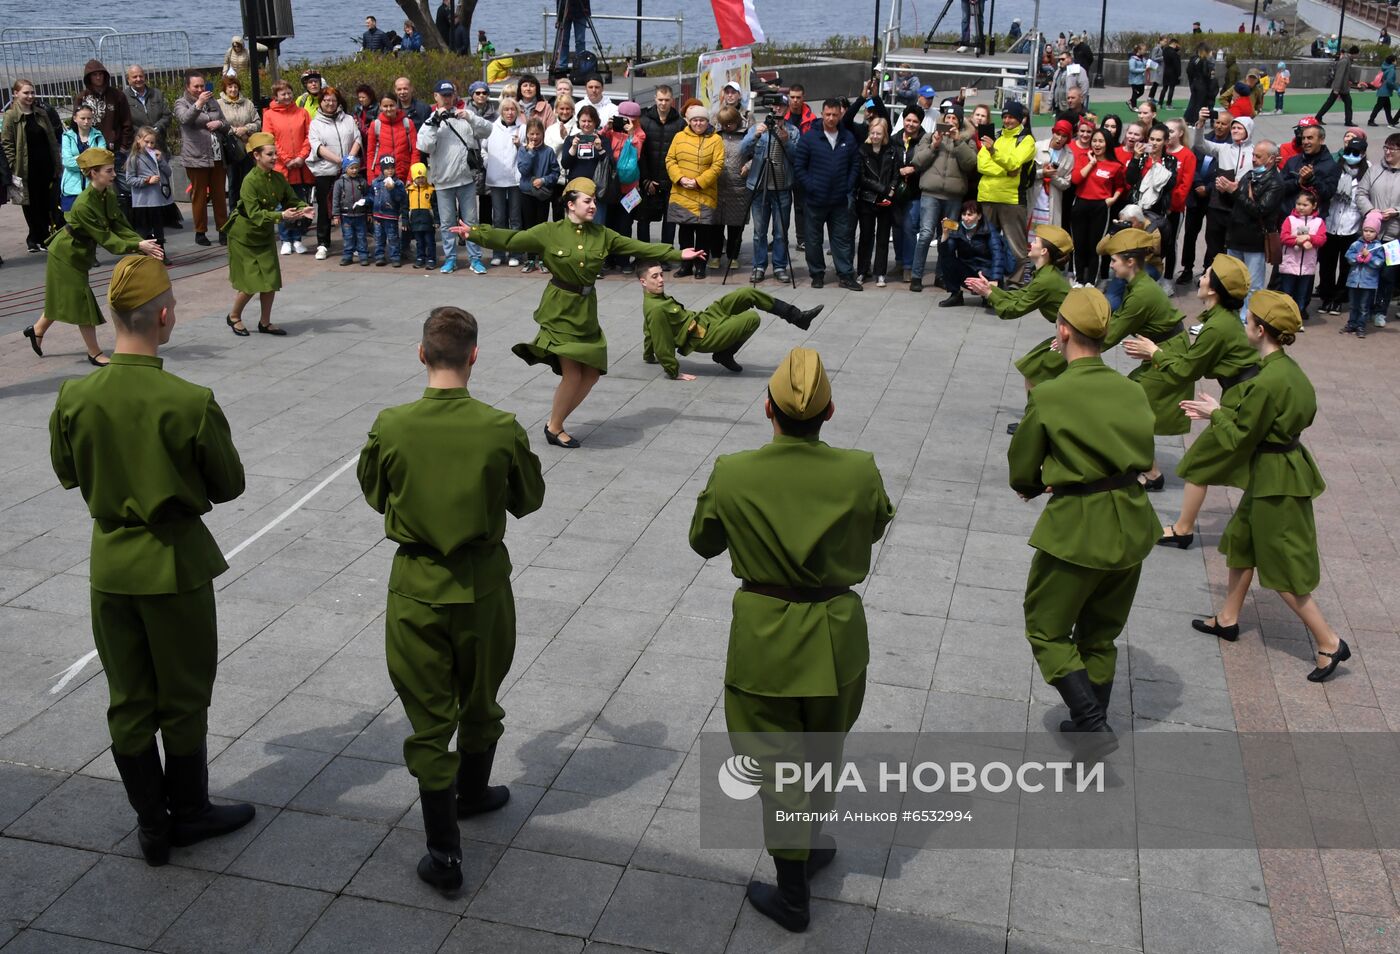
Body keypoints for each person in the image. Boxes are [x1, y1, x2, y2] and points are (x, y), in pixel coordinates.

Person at [49, 254, 253, 869]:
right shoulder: (188, 400)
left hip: (110, 564)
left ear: (114, 317)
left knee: (128, 695)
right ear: (165, 317)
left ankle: (150, 824)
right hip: (174, 564)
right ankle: (189, 812)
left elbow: (66, 474)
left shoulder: (75, 395)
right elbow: (230, 483)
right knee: (184, 694)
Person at [688, 346, 894, 934]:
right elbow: (876, 525)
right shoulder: (860, 467)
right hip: (838, 631)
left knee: (776, 765)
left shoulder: (734, 470)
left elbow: (703, 542)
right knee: (824, 752)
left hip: (766, 635)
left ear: (767, 409)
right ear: (829, 413)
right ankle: (806, 847)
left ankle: (793, 894)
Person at [356, 305, 545, 889]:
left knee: (429, 718)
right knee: (481, 698)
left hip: (416, 588)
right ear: (474, 357)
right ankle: (473, 791)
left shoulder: (391, 424)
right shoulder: (499, 425)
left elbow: (373, 494)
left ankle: (444, 854)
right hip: (483, 586)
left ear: (422, 354)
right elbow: (528, 498)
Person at [1008, 285, 1157, 749]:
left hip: (1078, 526)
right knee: (1101, 632)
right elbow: (1145, 455)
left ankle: (1091, 721)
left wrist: (1035, 485)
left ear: (1064, 329)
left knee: (1046, 626)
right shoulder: (1131, 390)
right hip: (1132, 521)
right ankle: (1095, 720)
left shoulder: (1051, 395)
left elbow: (1021, 467)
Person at [449, 178, 706, 447]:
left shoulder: (602, 235)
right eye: (587, 201)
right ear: (571, 205)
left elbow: (638, 247)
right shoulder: (550, 231)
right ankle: (554, 426)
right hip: (559, 309)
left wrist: (678, 254)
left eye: (594, 200)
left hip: (586, 312)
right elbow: (514, 238)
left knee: (591, 374)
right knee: (572, 373)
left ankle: (555, 422)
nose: (593, 205)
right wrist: (477, 233)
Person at [1182, 291, 1347, 682]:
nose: (1244, 325)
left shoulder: (1265, 381)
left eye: (1248, 320)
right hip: (1283, 469)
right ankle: (1228, 618)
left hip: (1275, 479)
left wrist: (1215, 412)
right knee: (1243, 542)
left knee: (1281, 565)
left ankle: (1329, 642)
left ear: (1259, 330)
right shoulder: (1289, 372)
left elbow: (1241, 436)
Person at [1125, 255, 1253, 550]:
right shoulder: (1220, 321)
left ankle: (1183, 530)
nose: (1201, 278)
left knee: (1198, 466)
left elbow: (1187, 370)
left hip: (1240, 401)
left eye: (1207, 275)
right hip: (1238, 395)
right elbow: (1198, 364)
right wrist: (1157, 354)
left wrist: (1155, 352)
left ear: (1216, 290)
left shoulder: (1218, 326)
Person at [22, 148, 163, 365]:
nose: (114, 174)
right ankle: (94, 352)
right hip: (66, 254)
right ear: (93, 173)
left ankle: (37, 330)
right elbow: (106, 238)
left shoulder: (107, 193)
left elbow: (119, 224)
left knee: (63, 296)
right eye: (108, 171)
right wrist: (138, 245)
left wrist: (141, 243)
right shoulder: (84, 204)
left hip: (78, 252)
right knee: (82, 301)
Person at [1098, 227, 1192, 490]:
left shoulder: (1140, 294)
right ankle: (1142, 467)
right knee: (1134, 406)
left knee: (1129, 404)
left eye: (1115, 260)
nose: (1111, 264)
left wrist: (1077, 346)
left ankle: (1149, 472)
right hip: (1164, 349)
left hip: (1168, 355)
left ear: (1130, 262)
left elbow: (1112, 333)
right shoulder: (1138, 286)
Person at [965, 224, 1073, 433]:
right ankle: (1038, 420)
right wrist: (992, 289)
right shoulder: (1044, 273)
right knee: (1036, 372)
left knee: (1037, 372)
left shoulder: (1046, 279)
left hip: (1071, 335)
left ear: (1044, 252)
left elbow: (1013, 310)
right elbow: (1020, 297)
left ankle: (1039, 423)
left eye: (1036, 242)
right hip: (1067, 333)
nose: (1031, 243)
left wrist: (988, 294)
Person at [639, 261, 821, 376]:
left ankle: (798, 317)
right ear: (643, 282)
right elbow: (660, 340)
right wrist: (673, 371)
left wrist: (648, 356)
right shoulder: (655, 309)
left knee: (747, 293)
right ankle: (725, 354)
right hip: (702, 337)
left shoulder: (655, 299)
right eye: (655, 276)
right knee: (751, 318)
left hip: (705, 317)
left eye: (661, 274)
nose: (661, 279)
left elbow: (649, 331)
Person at [221, 132, 314, 336]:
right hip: (244, 236)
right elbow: (254, 214)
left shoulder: (278, 178)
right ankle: (234, 316)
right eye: (269, 154)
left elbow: (290, 198)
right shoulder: (250, 181)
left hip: (263, 234)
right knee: (251, 283)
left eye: (275, 153)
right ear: (256, 156)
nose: (274, 157)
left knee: (270, 281)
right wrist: (281, 215)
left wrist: (303, 207)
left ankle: (265, 323)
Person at [417, 81, 494, 275]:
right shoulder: (430, 121)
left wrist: (470, 117)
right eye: (443, 95)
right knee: (447, 223)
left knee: (471, 222)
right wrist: (435, 122)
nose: (447, 98)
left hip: (466, 180)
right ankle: (450, 259)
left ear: (455, 96)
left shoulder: (465, 116)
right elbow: (424, 146)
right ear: (436, 97)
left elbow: (488, 130)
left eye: (450, 94)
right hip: (443, 181)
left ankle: (475, 259)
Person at [793, 98, 862, 291]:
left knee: (842, 239)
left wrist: (847, 186)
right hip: (815, 200)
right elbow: (799, 167)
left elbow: (855, 164)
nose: (831, 118)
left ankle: (846, 274)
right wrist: (811, 186)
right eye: (828, 114)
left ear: (840, 115)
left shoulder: (847, 138)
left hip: (839, 200)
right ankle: (817, 274)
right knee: (813, 240)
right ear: (822, 114)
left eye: (835, 115)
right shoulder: (809, 138)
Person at [908, 103, 977, 293]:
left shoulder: (967, 141)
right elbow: (917, 161)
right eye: (948, 118)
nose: (951, 122)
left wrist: (958, 142)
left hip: (954, 196)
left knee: (947, 238)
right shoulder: (930, 136)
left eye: (955, 119)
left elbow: (971, 164)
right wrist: (933, 146)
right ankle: (916, 276)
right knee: (926, 234)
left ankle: (942, 275)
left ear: (960, 123)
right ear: (943, 119)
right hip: (931, 193)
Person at [978, 100, 1037, 285]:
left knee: (1017, 246)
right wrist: (1005, 171)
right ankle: (990, 280)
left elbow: (1015, 163)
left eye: (1011, 116)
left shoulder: (1026, 140)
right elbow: (981, 164)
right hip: (988, 197)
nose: (1007, 120)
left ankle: (1017, 283)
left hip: (1012, 200)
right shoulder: (994, 136)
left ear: (1020, 118)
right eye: (1004, 116)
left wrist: (994, 153)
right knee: (987, 243)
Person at [665, 101, 725, 281]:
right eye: (695, 120)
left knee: (703, 234)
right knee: (685, 232)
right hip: (681, 193)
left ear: (707, 122)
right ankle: (686, 265)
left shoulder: (716, 139)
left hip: (704, 194)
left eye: (702, 120)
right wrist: (681, 179)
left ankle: (700, 266)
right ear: (689, 121)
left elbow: (718, 165)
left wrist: (699, 182)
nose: (698, 123)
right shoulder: (678, 137)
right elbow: (670, 160)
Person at [740, 108, 800, 284]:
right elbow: (742, 150)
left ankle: (780, 267)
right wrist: (756, 135)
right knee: (759, 231)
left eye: (780, 114)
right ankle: (758, 266)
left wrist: (787, 142)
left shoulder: (793, 131)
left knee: (781, 232)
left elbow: (798, 158)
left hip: (782, 188)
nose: (777, 118)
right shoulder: (757, 128)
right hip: (759, 187)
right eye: (774, 114)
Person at [3, 79, 61, 253]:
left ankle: (41, 237)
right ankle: (36, 238)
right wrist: (13, 165)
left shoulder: (41, 113)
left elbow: (51, 139)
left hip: (45, 165)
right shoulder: (11, 116)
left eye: (32, 93)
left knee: (46, 202)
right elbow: (7, 143)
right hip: (25, 168)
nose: (30, 96)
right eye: (25, 93)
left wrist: (56, 164)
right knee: (29, 204)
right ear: (15, 94)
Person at [172, 71, 229, 246]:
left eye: (202, 86)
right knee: (199, 196)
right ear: (187, 87)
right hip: (196, 156)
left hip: (216, 155)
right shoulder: (181, 103)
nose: (200, 89)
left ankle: (223, 230)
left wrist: (219, 123)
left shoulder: (212, 101)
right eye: (196, 86)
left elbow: (225, 123)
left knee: (219, 195)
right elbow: (185, 119)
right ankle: (200, 231)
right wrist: (199, 103)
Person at [308, 86, 362, 260]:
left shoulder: (347, 119)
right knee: (325, 207)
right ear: (321, 102)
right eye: (326, 100)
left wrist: (349, 161)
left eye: (333, 100)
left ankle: (352, 243)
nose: (330, 103)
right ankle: (323, 243)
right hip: (326, 171)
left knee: (351, 207)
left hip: (349, 171)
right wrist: (340, 161)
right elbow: (317, 147)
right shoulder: (315, 123)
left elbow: (357, 138)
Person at [1317, 130, 1367, 314]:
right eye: (1348, 152)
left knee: (1346, 266)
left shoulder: (1367, 172)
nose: (1350, 156)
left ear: (1362, 154)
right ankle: (1326, 297)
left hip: (1352, 226)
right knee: (1326, 265)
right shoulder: (1334, 167)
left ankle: (1339, 299)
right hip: (1331, 223)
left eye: (1355, 153)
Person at [263, 80, 314, 255]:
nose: (287, 96)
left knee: (300, 203)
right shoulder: (269, 115)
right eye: (283, 94)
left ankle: (298, 238)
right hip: (280, 168)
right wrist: (286, 159)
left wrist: (301, 156)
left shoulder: (303, 112)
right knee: (281, 206)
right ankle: (285, 239)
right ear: (276, 97)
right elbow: (270, 140)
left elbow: (310, 136)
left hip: (300, 167)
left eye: (289, 92)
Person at [1069, 129, 1124, 285]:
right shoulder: (1082, 158)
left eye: (1101, 141)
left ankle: (1091, 282)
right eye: (1094, 141)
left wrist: (1113, 199)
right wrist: (1092, 163)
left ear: (1107, 144)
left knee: (1096, 246)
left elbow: (1121, 186)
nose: (1097, 144)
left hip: (1100, 207)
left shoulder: (1115, 166)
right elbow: (1076, 179)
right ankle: (1078, 279)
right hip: (1080, 204)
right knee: (1078, 244)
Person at [638, 85, 685, 250]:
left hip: (671, 181)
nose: (663, 103)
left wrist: (677, 179)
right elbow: (640, 154)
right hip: (648, 180)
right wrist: (645, 180)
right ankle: (644, 254)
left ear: (672, 100)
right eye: (660, 100)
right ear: (655, 99)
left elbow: (682, 155)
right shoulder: (644, 121)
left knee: (670, 220)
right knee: (643, 219)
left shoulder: (680, 123)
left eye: (666, 100)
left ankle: (666, 254)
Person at [937, 200, 1008, 307]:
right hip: (969, 270)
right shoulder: (958, 229)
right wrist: (945, 235)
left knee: (989, 304)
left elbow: (997, 256)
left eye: (970, 215)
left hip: (987, 272)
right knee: (946, 259)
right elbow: (946, 253)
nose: (966, 218)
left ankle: (988, 295)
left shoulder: (989, 230)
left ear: (979, 216)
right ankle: (955, 294)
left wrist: (994, 280)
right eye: (964, 214)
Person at [854, 116, 897, 287]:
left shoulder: (891, 150)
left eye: (879, 133)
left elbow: (895, 174)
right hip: (867, 199)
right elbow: (862, 178)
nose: (875, 136)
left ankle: (880, 272)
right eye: (872, 133)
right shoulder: (862, 150)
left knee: (883, 238)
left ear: (885, 133)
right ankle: (863, 271)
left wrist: (891, 190)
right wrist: (884, 189)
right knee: (865, 236)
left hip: (886, 200)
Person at [483, 98, 524, 265]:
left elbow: (529, 149)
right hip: (496, 178)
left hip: (515, 179)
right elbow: (482, 149)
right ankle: (498, 253)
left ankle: (515, 253)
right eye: (506, 109)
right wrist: (488, 163)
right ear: (501, 111)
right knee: (498, 218)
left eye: (512, 109)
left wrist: (519, 145)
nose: (509, 113)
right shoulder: (492, 127)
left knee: (515, 218)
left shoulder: (523, 128)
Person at [516, 119, 560, 272]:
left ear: (543, 134)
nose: (534, 137)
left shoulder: (549, 151)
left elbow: (555, 173)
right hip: (527, 193)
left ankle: (542, 258)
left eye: (537, 134)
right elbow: (524, 170)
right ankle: (530, 259)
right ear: (527, 134)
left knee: (542, 226)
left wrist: (543, 180)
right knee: (529, 227)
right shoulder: (523, 150)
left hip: (542, 194)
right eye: (531, 134)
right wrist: (530, 152)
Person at [126, 126, 173, 261]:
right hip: (143, 201)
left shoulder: (156, 155)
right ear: (138, 140)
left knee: (159, 229)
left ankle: (161, 254)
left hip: (157, 199)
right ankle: (143, 255)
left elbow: (168, 173)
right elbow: (129, 179)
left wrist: (161, 160)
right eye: (147, 142)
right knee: (143, 230)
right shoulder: (134, 158)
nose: (150, 145)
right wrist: (147, 180)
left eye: (152, 142)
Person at [73, 59, 132, 162]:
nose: (98, 77)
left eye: (100, 74)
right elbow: (74, 125)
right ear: (89, 77)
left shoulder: (117, 95)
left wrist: (124, 146)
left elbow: (127, 122)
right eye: (94, 75)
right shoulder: (81, 98)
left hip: (115, 150)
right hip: (90, 150)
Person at [890, 106, 925, 281]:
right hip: (897, 191)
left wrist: (914, 169)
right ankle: (899, 261)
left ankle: (908, 266)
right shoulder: (894, 140)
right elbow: (889, 163)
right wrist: (899, 171)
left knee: (910, 227)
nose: (911, 124)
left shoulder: (924, 140)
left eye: (915, 121)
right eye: (908, 120)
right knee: (896, 227)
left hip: (915, 191)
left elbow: (927, 162)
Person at [1278, 190, 1327, 315]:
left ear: (1314, 205)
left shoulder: (1319, 222)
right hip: (1290, 263)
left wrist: (1309, 238)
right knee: (1287, 293)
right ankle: (1285, 317)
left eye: (1305, 205)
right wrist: (1297, 241)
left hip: (1307, 265)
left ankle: (1298, 317)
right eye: (1298, 204)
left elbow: (1322, 239)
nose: (1301, 207)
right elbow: (1283, 237)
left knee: (1302, 293)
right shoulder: (1290, 219)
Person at [714, 106, 749, 272]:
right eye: (724, 124)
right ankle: (715, 255)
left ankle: (733, 256)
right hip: (718, 186)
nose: (727, 126)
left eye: (730, 123)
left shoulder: (746, 136)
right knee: (716, 224)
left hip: (738, 187)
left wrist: (748, 165)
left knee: (736, 226)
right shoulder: (716, 135)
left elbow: (757, 155)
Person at [218, 76, 261, 211]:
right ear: (225, 89)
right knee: (233, 182)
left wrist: (246, 128)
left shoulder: (247, 103)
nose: (233, 89)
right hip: (230, 149)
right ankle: (234, 212)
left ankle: (248, 210)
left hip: (247, 147)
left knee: (248, 181)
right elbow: (219, 123)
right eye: (230, 87)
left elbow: (258, 122)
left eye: (235, 87)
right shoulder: (218, 104)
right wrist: (233, 130)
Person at [60, 105, 108, 213]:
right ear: (75, 118)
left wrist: (78, 159)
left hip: (94, 187)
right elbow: (68, 162)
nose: (86, 121)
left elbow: (102, 160)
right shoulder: (67, 137)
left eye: (89, 118)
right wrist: (90, 159)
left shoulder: (98, 136)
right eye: (82, 118)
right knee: (72, 223)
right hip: (72, 188)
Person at [1344, 211, 1385, 336]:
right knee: (1353, 305)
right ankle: (1351, 324)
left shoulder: (1378, 246)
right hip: (1353, 280)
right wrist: (1357, 257)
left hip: (1368, 283)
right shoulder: (1356, 244)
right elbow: (1348, 256)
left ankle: (1361, 326)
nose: (1368, 233)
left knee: (1363, 306)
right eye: (1366, 230)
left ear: (1377, 233)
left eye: (1371, 231)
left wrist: (1369, 258)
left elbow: (1379, 263)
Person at [1031, 119, 1074, 230]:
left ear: (1068, 139)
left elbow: (1066, 184)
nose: (1059, 139)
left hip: (1052, 202)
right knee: (1029, 232)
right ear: (1053, 132)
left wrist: (1053, 177)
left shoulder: (1069, 156)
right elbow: (1026, 174)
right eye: (1057, 134)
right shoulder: (1038, 147)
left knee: (1047, 235)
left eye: (1064, 136)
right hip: (1034, 198)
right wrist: (1042, 173)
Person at [333, 156, 372, 265]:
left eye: (356, 168)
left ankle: (363, 255)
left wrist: (369, 212)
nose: (354, 170)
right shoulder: (339, 183)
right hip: (346, 216)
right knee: (348, 236)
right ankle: (347, 256)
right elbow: (335, 200)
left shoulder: (362, 182)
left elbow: (367, 197)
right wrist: (336, 215)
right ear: (345, 169)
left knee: (361, 236)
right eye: (351, 168)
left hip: (360, 215)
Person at [370, 156, 408, 266]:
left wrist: (393, 189)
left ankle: (395, 257)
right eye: (387, 168)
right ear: (382, 169)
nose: (390, 170)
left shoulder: (398, 183)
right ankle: (379, 256)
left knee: (393, 237)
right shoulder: (376, 182)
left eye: (392, 168)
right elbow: (372, 196)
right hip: (378, 215)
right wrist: (366, 203)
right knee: (379, 237)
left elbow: (401, 199)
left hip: (391, 216)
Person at [125, 65, 172, 155]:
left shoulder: (157, 94)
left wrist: (156, 128)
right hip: (138, 147)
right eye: (134, 77)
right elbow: (124, 122)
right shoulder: (123, 97)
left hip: (159, 144)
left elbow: (167, 115)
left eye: (141, 76)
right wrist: (143, 134)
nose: (138, 79)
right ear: (128, 80)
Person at [1316, 46, 1357, 125]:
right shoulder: (1345, 61)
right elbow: (1340, 75)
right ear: (1354, 53)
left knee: (1330, 102)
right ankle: (1348, 121)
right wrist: (1337, 88)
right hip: (1341, 87)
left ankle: (1318, 117)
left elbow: (1346, 74)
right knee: (1345, 103)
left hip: (1341, 87)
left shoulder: (1346, 60)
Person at [1185, 44, 1217, 126]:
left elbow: (1188, 70)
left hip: (1194, 83)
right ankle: (1196, 120)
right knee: (1200, 103)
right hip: (1202, 84)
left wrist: (1192, 81)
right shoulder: (1203, 60)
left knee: (1192, 102)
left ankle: (1188, 119)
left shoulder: (1194, 59)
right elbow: (1206, 73)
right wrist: (1210, 74)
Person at [557, 0, 591, 70]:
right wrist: (559, 16)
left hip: (580, 11)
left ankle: (580, 65)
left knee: (580, 41)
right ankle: (562, 66)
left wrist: (587, 12)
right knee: (563, 41)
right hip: (564, 12)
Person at [1371, 55, 1399, 127]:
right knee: (1378, 107)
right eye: (1396, 60)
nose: (1397, 61)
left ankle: (1391, 121)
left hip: (1382, 89)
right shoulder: (1391, 70)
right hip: (1385, 91)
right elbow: (1389, 82)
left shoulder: (1385, 68)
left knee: (1387, 107)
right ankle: (1371, 120)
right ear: (1393, 61)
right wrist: (1396, 88)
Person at [1159, 39, 1182, 108]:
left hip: (1166, 71)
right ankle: (1168, 104)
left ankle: (1160, 103)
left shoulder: (1165, 51)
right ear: (1174, 43)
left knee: (1164, 88)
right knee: (1171, 88)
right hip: (1173, 72)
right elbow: (1177, 65)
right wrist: (1179, 74)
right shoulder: (1174, 53)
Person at [1129, 45, 1149, 109]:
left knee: (1141, 92)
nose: (1145, 51)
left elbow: (1146, 64)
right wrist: (1143, 70)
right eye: (1144, 50)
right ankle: (1133, 106)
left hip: (1141, 79)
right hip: (1134, 80)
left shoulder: (1143, 58)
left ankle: (1131, 101)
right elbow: (1132, 69)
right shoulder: (1133, 59)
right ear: (1139, 50)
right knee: (1135, 92)